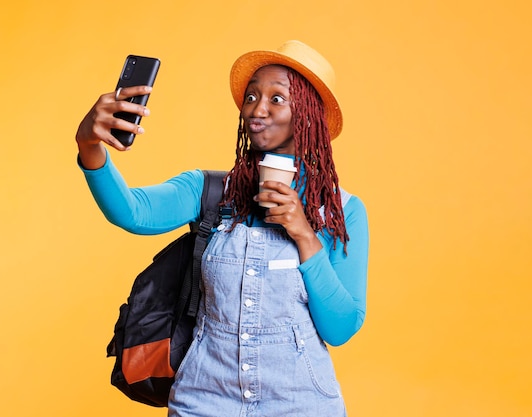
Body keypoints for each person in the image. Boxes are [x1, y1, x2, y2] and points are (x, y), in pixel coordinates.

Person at [76, 40, 369, 416]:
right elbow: (133, 212)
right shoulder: (210, 192)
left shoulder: (342, 211)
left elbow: (341, 328)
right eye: (251, 96)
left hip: (299, 404)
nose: (257, 109)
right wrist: (89, 146)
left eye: (276, 99)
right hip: (204, 400)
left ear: (309, 116)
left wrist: (304, 234)